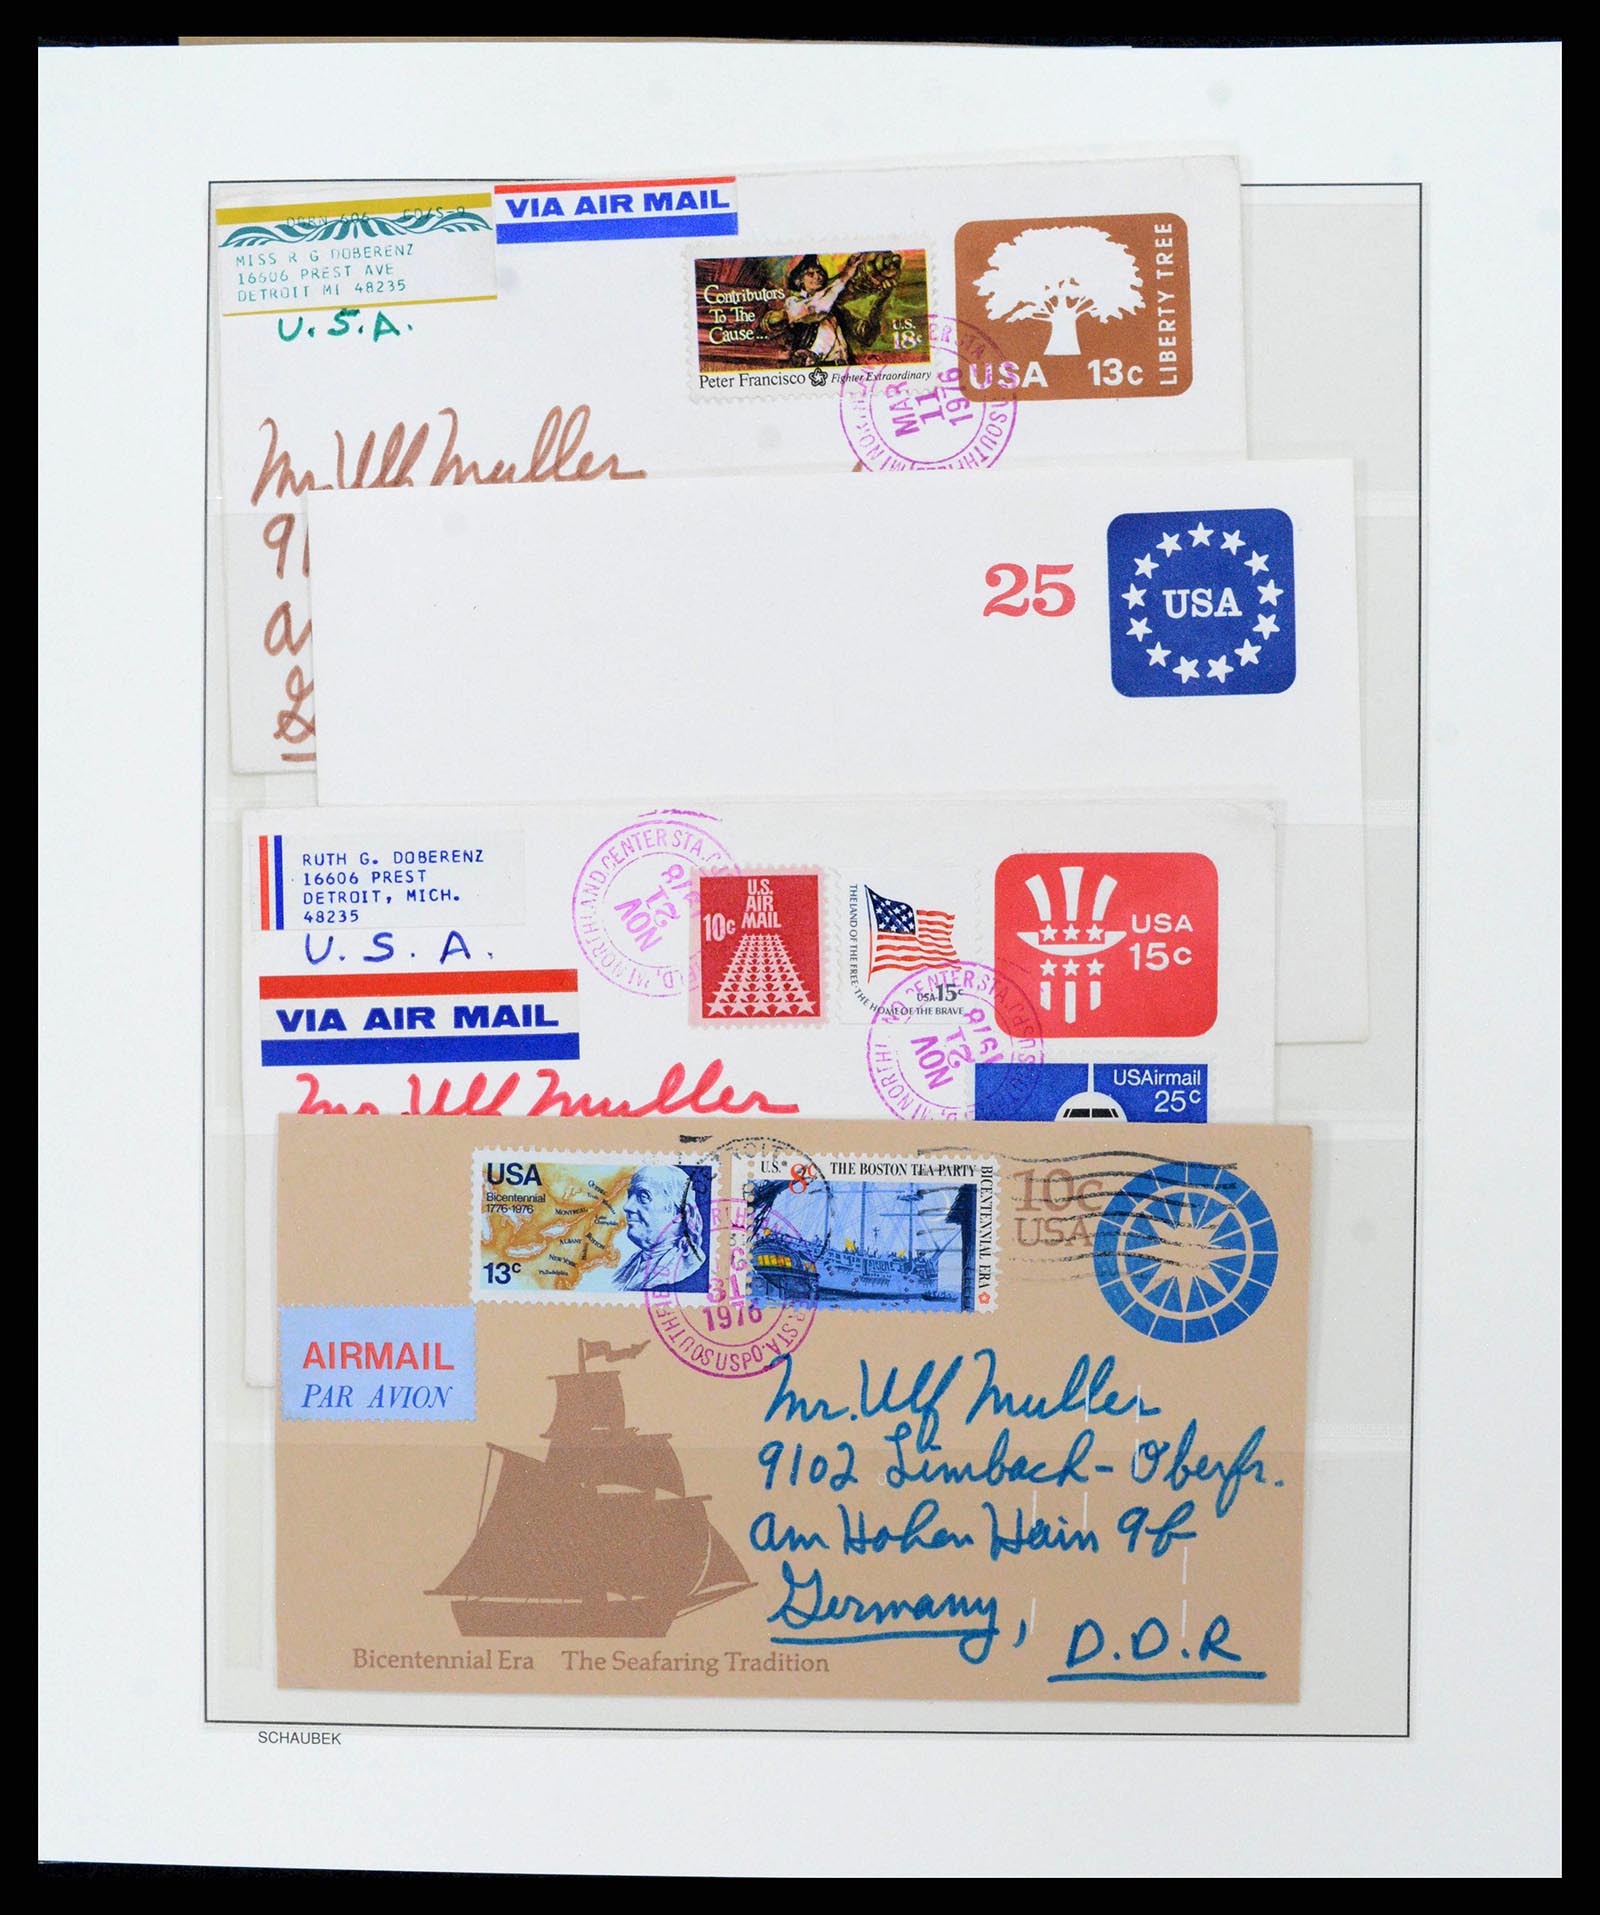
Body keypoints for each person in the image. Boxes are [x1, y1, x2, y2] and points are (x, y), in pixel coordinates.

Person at [769, 252, 899, 367]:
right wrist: (846, 275)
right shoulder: (793, 304)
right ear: (799, 281)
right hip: (815, 369)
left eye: (819, 272)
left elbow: (866, 336)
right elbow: (818, 309)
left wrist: (881, 299)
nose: (817, 277)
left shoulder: (834, 308)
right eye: (810, 274)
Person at [614, 1165, 707, 1292]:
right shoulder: (632, 1264)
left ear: (680, 1213)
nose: (627, 1206)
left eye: (643, 1197)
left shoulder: (687, 1263)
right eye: (630, 1196)